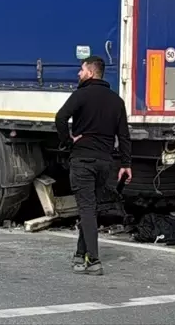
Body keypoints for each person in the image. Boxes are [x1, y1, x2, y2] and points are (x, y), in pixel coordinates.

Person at [54, 55, 132, 276]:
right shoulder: (117, 101)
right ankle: (80, 255)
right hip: (104, 163)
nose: (79, 74)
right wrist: (126, 163)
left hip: (82, 161)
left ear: (90, 72)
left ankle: (94, 260)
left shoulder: (81, 95)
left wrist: (68, 140)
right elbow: (124, 136)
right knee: (90, 208)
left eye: (81, 70)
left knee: (87, 209)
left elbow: (60, 118)